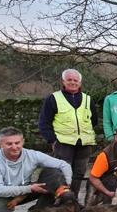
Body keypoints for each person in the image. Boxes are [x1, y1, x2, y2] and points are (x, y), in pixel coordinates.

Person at [0, 127, 73, 212]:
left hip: (26, 191)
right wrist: (29, 189)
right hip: (0, 195)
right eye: (9, 144)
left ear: (23, 142)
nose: (14, 147)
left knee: (53, 174)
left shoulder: (33, 155)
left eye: (17, 143)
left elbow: (63, 165)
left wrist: (67, 184)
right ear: (0, 144)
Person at [39, 68, 97, 196]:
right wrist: (52, 140)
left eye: (76, 80)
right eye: (69, 80)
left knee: (79, 173)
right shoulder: (53, 98)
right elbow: (44, 122)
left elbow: (94, 120)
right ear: (63, 81)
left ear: (80, 83)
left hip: (84, 144)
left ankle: (73, 199)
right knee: (62, 173)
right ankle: (62, 200)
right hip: (63, 144)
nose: (73, 82)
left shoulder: (88, 99)